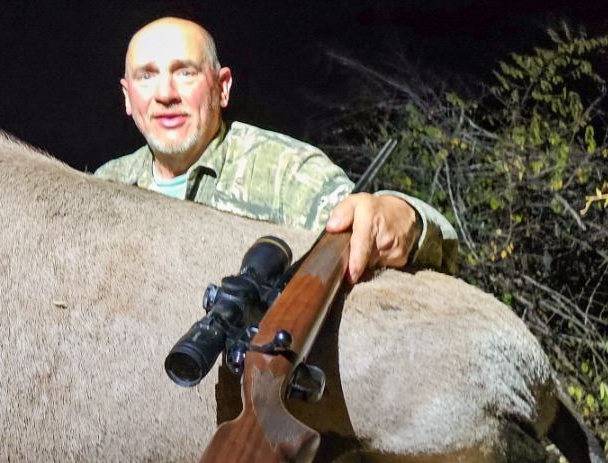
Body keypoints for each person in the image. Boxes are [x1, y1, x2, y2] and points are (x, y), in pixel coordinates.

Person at [96, 17, 457, 281]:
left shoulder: (287, 171)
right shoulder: (105, 185)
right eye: (147, 76)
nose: (165, 94)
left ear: (222, 88)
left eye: (185, 72)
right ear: (128, 97)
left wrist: (401, 215)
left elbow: (413, 242)